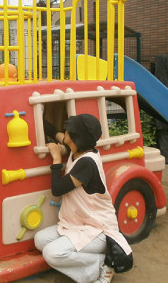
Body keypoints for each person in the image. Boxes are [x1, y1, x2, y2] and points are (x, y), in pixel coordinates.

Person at [34, 114, 132, 283]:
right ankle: (92, 259)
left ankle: (103, 265)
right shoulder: (77, 150)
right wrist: (34, 117)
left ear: (75, 137)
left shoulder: (87, 163)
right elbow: (54, 131)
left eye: (68, 130)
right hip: (78, 225)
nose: (64, 132)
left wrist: (57, 159)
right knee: (40, 240)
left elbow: (58, 189)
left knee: (52, 253)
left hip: (97, 229)